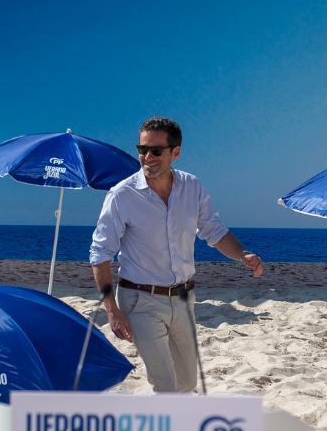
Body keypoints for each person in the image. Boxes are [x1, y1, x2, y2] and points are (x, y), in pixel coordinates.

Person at [89, 117, 264, 393]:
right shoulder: (121, 195)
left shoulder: (192, 188)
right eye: (142, 149)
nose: (147, 157)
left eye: (156, 151)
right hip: (139, 300)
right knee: (166, 385)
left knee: (187, 382)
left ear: (176, 152)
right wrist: (112, 310)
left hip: (183, 300)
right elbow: (100, 254)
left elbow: (214, 231)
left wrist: (243, 255)